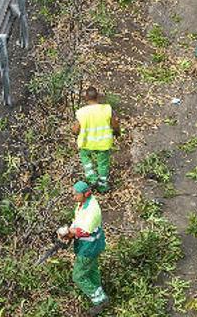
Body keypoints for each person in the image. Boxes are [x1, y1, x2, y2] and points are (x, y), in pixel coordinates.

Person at [60, 181, 109, 315]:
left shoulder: (92, 210)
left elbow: (84, 232)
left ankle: (100, 301)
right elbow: (78, 221)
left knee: (78, 276)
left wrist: (69, 233)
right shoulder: (82, 204)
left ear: (86, 194)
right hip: (91, 245)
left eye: (75, 194)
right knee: (91, 271)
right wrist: (70, 231)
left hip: (88, 248)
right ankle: (98, 292)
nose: (73, 197)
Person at [72, 87, 120, 193]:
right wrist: (117, 132)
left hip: (86, 144)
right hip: (103, 143)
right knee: (103, 164)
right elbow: (115, 123)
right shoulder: (107, 109)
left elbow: (75, 129)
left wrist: (74, 133)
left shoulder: (81, 112)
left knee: (86, 159)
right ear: (97, 97)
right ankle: (102, 186)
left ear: (85, 98)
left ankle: (92, 178)